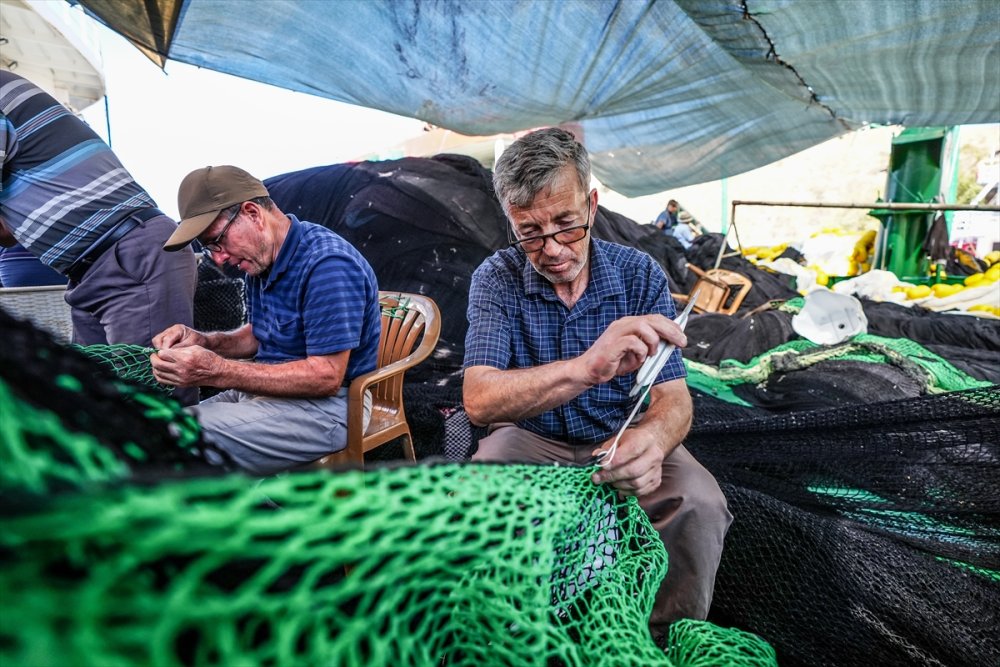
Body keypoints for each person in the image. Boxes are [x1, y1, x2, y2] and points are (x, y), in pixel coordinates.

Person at [463, 128, 731, 632]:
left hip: (616, 436)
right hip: (532, 439)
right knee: (485, 486)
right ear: (510, 223)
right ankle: (512, 634)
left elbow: (673, 396)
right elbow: (479, 400)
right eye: (530, 232)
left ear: (591, 204)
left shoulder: (638, 274)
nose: (553, 249)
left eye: (566, 224)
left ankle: (661, 638)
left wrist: (649, 441)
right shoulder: (495, 278)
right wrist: (586, 367)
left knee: (699, 501)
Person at [149, 165, 382, 475]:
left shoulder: (327, 264)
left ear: (252, 214)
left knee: (176, 440)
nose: (219, 258)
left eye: (218, 241)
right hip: (272, 394)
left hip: (332, 409)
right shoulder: (262, 258)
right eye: (209, 248)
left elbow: (325, 377)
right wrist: (206, 341)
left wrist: (214, 371)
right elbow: (258, 336)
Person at [0, 70, 197, 403]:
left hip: (127, 259)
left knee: (150, 407)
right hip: (92, 271)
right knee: (94, 405)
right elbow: (8, 234)